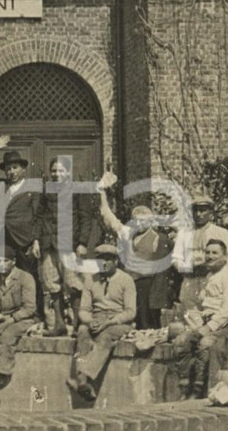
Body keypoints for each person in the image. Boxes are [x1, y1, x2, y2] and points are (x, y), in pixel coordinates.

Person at [96, 173, 172, 330]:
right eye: (136, 221)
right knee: (128, 321)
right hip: (128, 283)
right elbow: (108, 217)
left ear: (151, 221)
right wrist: (102, 192)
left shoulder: (159, 238)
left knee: (147, 324)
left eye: (144, 221)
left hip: (147, 285)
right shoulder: (127, 233)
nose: (139, 224)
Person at [171, 239, 228, 399]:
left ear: (225, 256)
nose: (210, 256)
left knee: (205, 344)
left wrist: (209, 327)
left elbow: (227, 309)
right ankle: (184, 388)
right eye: (208, 252)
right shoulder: (210, 275)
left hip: (224, 325)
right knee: (180, 342)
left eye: (215, 253)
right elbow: (203, 305)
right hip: (206, 321)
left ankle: (199, 391)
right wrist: (196, 324)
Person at [37, 156, 101, 336]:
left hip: (70, 244)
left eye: (60, 171)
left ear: (68, 172)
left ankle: (78, 324)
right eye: (54, 171)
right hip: (49, 244)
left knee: (73, 284)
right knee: (52, 284)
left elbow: (86, 218)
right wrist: (37, 240)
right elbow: (40, 217)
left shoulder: (78, 191)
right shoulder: (46, 191)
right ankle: (58, 324)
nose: (56, 174)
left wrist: (82, 243)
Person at [70, 244, 137, 402]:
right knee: (82, 331)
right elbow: (84, 310)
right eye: (100, 260)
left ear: (116, 261)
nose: (104, 264)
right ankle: (82, 380)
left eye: (108, 260)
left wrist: (108, 323)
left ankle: (84, 376)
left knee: (105, 337)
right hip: (97, 318)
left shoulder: (126, 280)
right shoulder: (90, 279)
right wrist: (90, 320)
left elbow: (130, 312)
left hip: (118, 321)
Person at [0, 246, 38, 411]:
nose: (1, 264)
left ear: (13, 262)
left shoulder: (25, 278)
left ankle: (4, 371)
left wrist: (10, 320)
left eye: (5, 260)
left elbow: (30, 308)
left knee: (8, 335)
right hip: (1, 318)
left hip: (22, 318)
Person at [0, 136, 43, 275]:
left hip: (24, 241)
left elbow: (38, 216)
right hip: (3, 239)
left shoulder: (32, 189)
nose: (12, 172)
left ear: (23, 169)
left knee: (28, 276)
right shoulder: (1, 186)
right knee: (2, 276)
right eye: (8, 169)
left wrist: (36, 240)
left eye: (15, 168)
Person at [171, 194, 228, 312]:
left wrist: (213, 270)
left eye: (203, 210)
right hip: (189, 282)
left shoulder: (221, 233)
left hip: (212, 281)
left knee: (210, 316)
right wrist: (186, 269)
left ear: (210, 213)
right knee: (189, 317)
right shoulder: (184, 233)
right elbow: (176, 258)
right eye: (195, 210)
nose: (198, 214)